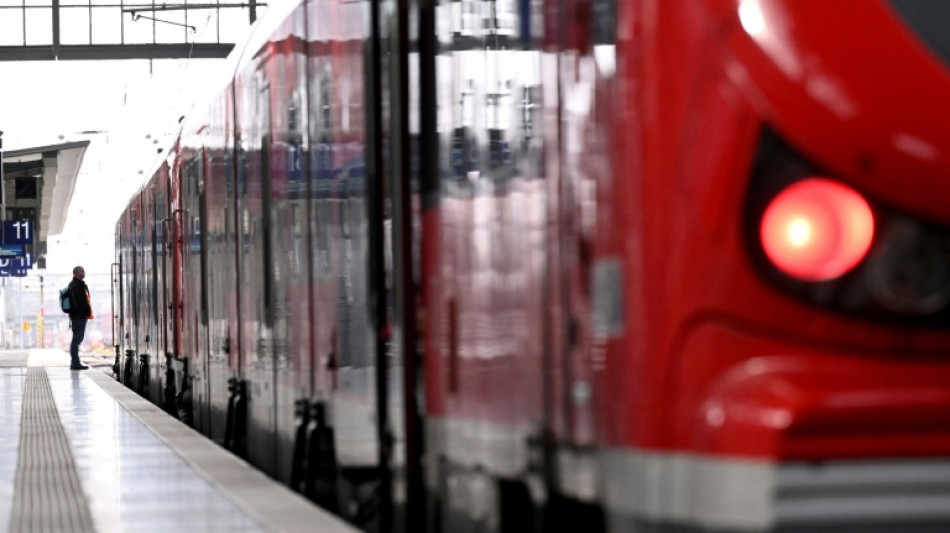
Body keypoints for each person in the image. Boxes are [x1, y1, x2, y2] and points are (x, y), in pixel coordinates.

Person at [67, 265, 93, 370]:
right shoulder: (76, 285)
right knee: (77, 340)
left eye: (83, 270)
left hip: (79, 316)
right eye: (81, 271)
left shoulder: (78, 284)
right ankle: (75, 363)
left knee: (77, 339)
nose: (83, 272)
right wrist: (83, 313)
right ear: (75, 273)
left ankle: (75, 362)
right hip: (78, 317)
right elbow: (78, 303)